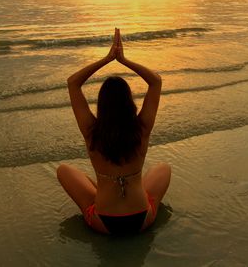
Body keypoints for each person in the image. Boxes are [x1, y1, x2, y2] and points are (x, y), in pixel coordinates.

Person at [57, 28, 171, 235]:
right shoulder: (141, 129)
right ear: (129, 102)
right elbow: (156, 81)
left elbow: (73, 83)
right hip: (143, 219)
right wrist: (123, 60)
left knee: (64, 170)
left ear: (102, 104)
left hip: (103, 224)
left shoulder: (92, 131)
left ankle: (102, 195)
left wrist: (107, 58)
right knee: (163, 168)